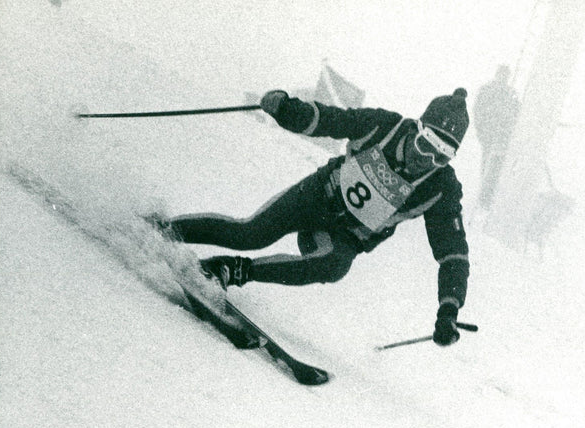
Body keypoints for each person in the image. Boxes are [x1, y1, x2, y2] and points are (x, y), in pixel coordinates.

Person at [167, 88, 471, 346]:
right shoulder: (383, 126)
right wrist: (286, 109)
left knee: (335, 265)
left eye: (441, 156)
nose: (426, 160)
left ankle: (230, 270)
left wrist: (448, 310)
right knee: (250, 235)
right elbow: (329, 120)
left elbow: (453, 254)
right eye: (424, 145)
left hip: (343, 236)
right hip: (315, 198)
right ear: (416, 129)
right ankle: (167, 229)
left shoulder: (441, 188)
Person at [473, 65, 520, 210]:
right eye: (502, 75)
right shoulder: (487, 91)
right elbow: (478, 112)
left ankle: (492, 197)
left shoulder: (510, 93)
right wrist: (481, 132)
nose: (503, 78)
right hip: (489, 136)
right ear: (497, 74)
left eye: (505, 76)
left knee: (498, 166)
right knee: (488, 166)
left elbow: (517, 113)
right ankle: (485, 199)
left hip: (503, 137)